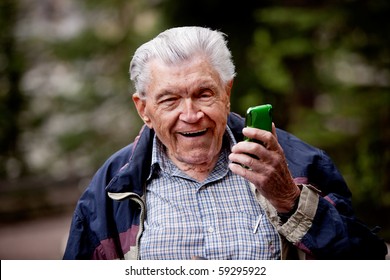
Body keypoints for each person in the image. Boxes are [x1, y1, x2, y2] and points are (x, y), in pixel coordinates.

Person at [63, 26, 387, 260]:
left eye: (204, 94)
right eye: (169, 100)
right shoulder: (109, 187)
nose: (190, 115)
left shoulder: (298, 163)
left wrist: (289, 197)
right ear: (143, 109)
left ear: (227, 93)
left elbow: (366, 260)